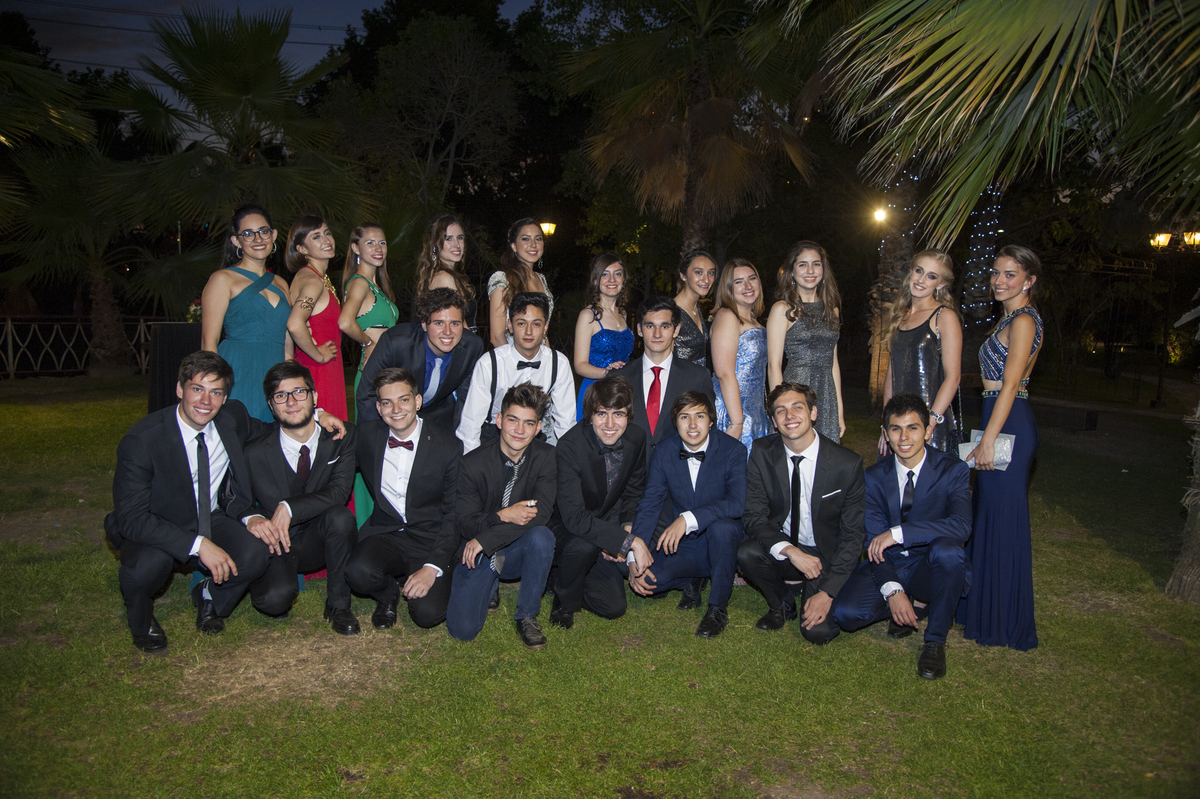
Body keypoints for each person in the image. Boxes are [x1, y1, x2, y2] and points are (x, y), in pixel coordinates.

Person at [104, 351, 344, 653]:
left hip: (211, 516)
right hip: (156, 522)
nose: (206, 401)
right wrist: (198, 545)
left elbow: (274, 430)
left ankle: (210, 596)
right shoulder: (142, 440)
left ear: (225, 397)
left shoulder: (232, 418)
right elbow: (133, 519)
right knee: (148, 565)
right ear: (179, 389)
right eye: (197, 389)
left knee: (256, 552)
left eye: (216, 392)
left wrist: (317, 414)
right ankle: (140, 618)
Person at [831, 394, 970, 679]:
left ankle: (935, 641)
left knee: (949, 551)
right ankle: (909, 606)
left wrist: (899, 533)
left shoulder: (952, 469)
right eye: (896, 429)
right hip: (889, 563)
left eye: (913, 428)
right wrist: (893, 592)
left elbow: (961, 526)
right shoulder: (872, 477)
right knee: (846, 615)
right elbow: (873, 543)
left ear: (928, 431)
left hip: (929, 565)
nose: (904, 437)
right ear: (885, 433)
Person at [959, 245, 1044, 651]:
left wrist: (989, 440)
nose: (999, 281)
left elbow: (1011, 385)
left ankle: (1002, 621)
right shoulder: (1011, 318)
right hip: (998, 414)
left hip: (1008, 419)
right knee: (988, 516)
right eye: (996, 272)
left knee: (1002, 520)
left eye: (1010, 274)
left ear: (1029, 280)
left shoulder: (1024, 320)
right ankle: (983, 609)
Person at [737, 382, 865, 645]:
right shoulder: (762, 452)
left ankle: (812, 589)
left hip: (824, 554)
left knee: (817, 633)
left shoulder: (846, 464)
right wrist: (790, 551)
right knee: (747, 552)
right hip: (787, 546)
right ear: (774, 422)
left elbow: (853, 536)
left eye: (797, 407)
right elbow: (753, 515)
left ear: (813, 412)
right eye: (781, 411)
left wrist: (828, 593)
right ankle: (782, 604)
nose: (789, 416)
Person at [242, 361, 359, 635]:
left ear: (314, 397)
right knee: (273, 602)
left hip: (319, 538)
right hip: (276, 543)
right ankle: (265, 579)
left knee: (341, 517)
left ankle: (339, 605)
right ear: (271, 405)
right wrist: (253, 518)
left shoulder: (342, 436)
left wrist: (289, 507)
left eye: (299, 392)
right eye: (281, 396)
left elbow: (339, 492)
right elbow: (237, 498)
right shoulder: (254, 451)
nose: (291, 402)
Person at [345, 368, 463, 631]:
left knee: (427, 614)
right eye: (387, 403)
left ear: (417, 401)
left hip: (429, 538)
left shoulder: (448, 447)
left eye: (404, 400)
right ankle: (388, 592)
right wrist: (319, 413)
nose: (396, 409)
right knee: (357, 573)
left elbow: (454, 514)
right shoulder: (367, 436)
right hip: (386, 533)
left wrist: (432, 567)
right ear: (378, 408)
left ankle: (441, 573)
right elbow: (328, 437)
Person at [355, 289, 483, 526]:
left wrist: (459, 443)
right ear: (424, 324)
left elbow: (466, 400)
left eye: (455, 323)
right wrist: (373, 440)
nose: (448, 332)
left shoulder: (472, 346)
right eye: (439, 323)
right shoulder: (396, 342)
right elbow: (366, 394)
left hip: (438, 416)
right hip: (395, 415)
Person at [447, 384, 557, 648]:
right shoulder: (472, 463)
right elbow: (465, 522)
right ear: (499, 420)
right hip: (479, 551)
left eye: (528, 423)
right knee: (462, 630)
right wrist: (501, 515)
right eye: (512, 420)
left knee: (542, 536)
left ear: (538, 428)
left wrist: (488, 538)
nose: (519, 430)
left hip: (514, 548)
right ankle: (490, 583)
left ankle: (527, 615)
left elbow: (540, 515)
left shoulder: (547, 457)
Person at [629, 391, 746, 638]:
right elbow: (650, 504)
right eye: (684, 417)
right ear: (676, 422)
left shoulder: (733, 450)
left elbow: (736, 504)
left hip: (722, 540)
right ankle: (696, 578)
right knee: (647, 580)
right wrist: (634, 552)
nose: (692, 425)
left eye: (699, 416)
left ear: (711, 421)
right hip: (684, 544)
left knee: (722, 529)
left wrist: (687, 518)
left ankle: (717, 608)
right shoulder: (665, 450)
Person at [548, 375, 649, 629]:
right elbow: (574, 518)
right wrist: (628, 542)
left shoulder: (637, 438)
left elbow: (633, 491)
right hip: (564, 526)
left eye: (618, 414)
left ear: (628, 415)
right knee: (583, 546)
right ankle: (563, 597)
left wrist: (625, 527)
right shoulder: (570, 446)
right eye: (602, 413)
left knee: (613, 607)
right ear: (590, 416)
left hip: (601, 523)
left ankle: (558, 576)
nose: (610, 424)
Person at [200, 203, 292, 422]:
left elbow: (288, 340)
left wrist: (289, 378)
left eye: (263, 231)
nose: (258, 239)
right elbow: (208, 341)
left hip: (274, 370)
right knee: (238, 432)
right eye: (248, 234)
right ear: (236, 241)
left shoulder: (281, 283)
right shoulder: (222, 279)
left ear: (273, 235)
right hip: (237, 369)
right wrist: (213, 387)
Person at [456, 292, 574, 452]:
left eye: (536, 324)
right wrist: (472, 463)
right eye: (521, 323)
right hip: (494, 434)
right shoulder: (490, 363)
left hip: (534, 436)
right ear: (510, 326)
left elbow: (566, 423)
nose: (529, 331)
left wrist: (568, 460)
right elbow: (470, 424)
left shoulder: (558, 363)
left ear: (545, 327)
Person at [878, 249, 963, 456]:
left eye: (931, 276)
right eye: (919, 271)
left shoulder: (944, 316)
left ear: (940, 284)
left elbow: (953, 377)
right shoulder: (900, 315)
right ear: (911, 272)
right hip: (898, 423)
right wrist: (886, 422)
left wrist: (930, 422)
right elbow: (892, 374)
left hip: (931, 424)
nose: (921, 280)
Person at [612, 297, 714, 466]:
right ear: (639, 329)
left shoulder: (698, 377)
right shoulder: (619, 377)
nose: (657, 334)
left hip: (678, 473)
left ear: (676, 330)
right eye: (650, 326)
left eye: (665, 326)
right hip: (629, 474)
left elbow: (709, 430)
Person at [766, 240, 846, 442]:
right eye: (803, 264)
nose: (810, 270)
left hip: (826, 393)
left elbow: (833, 363)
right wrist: (780, 409)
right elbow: (774, 366)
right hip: (796, 390)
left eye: (816, 264)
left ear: (823, 269)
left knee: (827, 454)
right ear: (792, 271)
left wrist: (839, 411)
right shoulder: (782, 309)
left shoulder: (832, 310)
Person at [285, 215, 347, 421]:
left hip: (324, 367)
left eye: (327, 233)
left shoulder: (314, 277)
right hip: (319, 370)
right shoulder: (312, 281)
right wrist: (318, 355)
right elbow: (295, 324)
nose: (326, 240)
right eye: (316, 236)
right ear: (302, 249)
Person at [711, 258, 769, 452]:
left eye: (752, 278)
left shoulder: (754, 321)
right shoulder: (728, 316)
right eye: (739, 282)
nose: (748, 286)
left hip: (754, 410)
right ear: (728, 288)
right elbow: (724, 373)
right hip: (733, 410)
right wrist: (737, 422)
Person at [337, 223, 399, 400]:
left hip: (386, 370)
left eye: (382, 243)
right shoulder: (359, 283)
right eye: (370, 243)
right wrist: (368, 343)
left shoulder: (376, 287)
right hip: (373, 370)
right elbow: (345, 322)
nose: (378, 248)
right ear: (356, 248)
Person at [572, 252, 634, 421]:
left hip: (621, 391)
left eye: (617, 274)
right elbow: (579, 365)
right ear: (595, 280)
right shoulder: (588, 315)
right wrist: (607, 373)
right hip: (595, 391)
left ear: (624, 280)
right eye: (605, 274)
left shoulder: (623, 314)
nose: (612, 280)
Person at [487, 217, 554, 347]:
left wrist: (549, 357)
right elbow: (497, 337)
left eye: (538, 239)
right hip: (511, 354)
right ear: (514, 246)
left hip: (540, 354)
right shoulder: (502, 279)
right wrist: (517, 359)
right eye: (526, 239)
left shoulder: (541, 279)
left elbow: (543, 334)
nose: (533, 244)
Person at [415, 213, 478, 331]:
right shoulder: (444, 277)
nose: (457, 244)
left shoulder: (444, 275)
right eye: (448, 238)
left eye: (460, 238)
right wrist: (472, 342)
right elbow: (457, 325)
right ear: (434, 245)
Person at [673, 249, 717, 369]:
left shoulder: (696, 307)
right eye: (698, 272)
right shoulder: (671, 311)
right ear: (683, 275)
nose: (706, 279)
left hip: (699, 378)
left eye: (711, 273)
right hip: (680, 379)